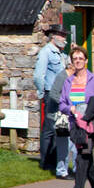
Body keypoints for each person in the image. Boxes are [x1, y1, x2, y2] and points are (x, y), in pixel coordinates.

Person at [56, 46, 94, 188]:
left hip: (92, 124)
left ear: (86, 60)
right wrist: (70, 109)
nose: (78, 61)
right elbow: (61, 104)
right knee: (86, 156)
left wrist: (89, 111)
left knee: (82, 156)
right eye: (75, 59)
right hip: (75, 125)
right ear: (72, 62)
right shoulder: (68, 82)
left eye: (80, 58)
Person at [33, 24, 71, 177]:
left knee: (59, 127)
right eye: (62, 35)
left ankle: (55, 160)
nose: (64, 38)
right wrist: (42, 94)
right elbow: (38, 75)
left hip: (61, 94)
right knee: (49, 128)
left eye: (65, 35)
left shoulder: (61, 54)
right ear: (53, 36)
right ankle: (45, 162)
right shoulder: (46, 52)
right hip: (50, 93)